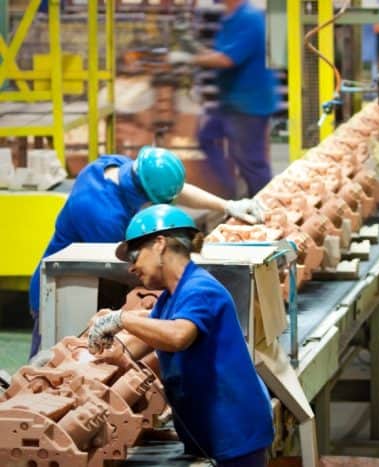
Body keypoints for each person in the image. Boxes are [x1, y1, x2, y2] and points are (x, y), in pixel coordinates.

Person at [29, 146, 264, 357]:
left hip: (98, 283)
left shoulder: (117, 167)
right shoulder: (103, 215)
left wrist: (228, 205)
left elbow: (173, 190)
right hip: (62, 289)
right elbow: (135, 270)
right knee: (53, 361)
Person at [87, 204, 273, 466]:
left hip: (235, 429)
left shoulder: (200, 289)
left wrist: (121, 319)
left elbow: (177, 336)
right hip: (209, 429)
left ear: (159, 244)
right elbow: (141, 341)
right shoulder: (169, 299)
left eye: (134, 256)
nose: (131, 268)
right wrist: (95, 357)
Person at [168, 0, 278, 198]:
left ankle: (266, 204)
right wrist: (190, 47)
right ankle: (230, 192)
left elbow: (227, 59)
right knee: (207, 138)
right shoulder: (230, 18)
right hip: (231, 101)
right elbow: (218, 52)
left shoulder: (248, 18)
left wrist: (188, 59)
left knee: (251, 161)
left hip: (249, 104)